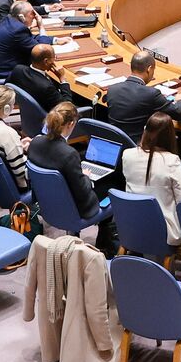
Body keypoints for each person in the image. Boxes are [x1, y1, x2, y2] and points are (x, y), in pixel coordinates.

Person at [28, 102, 116, 254]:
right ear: (70, 124)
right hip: (77, 210)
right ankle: (104, 244)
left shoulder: (35, 142)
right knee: (112, 188)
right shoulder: (69, 154)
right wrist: (86, 177)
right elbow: (82, 192)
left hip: (46, 205)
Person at [121, 113, 181, 247]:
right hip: (164, 231)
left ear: (145, 131)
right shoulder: (172, 161)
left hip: (132, 225)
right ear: (171, 137)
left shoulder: (127, 154)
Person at [104, 50, 181, 143]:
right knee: (180, 139)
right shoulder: (151, 94)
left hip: (113, 143)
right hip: (136, 146)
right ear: (149, 69)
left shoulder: (112, 89)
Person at [0, 2, 53, 78]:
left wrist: (54, 40)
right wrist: (41, 26)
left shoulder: (9, 20)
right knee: (44, 63)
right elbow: (43, 50)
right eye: (32, 13)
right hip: (3, 71)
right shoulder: (18, 30)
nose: (35, 16)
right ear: (21, 17)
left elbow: (28, 38)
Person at [8, 44, 74, 111]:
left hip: (26, 109)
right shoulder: (47, 88)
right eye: (54, 57)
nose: (54, 60)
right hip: (49, 114)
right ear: (46, 61)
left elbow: (7, 86)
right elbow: (67, 108)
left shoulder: (18, 69)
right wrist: (62, 78)